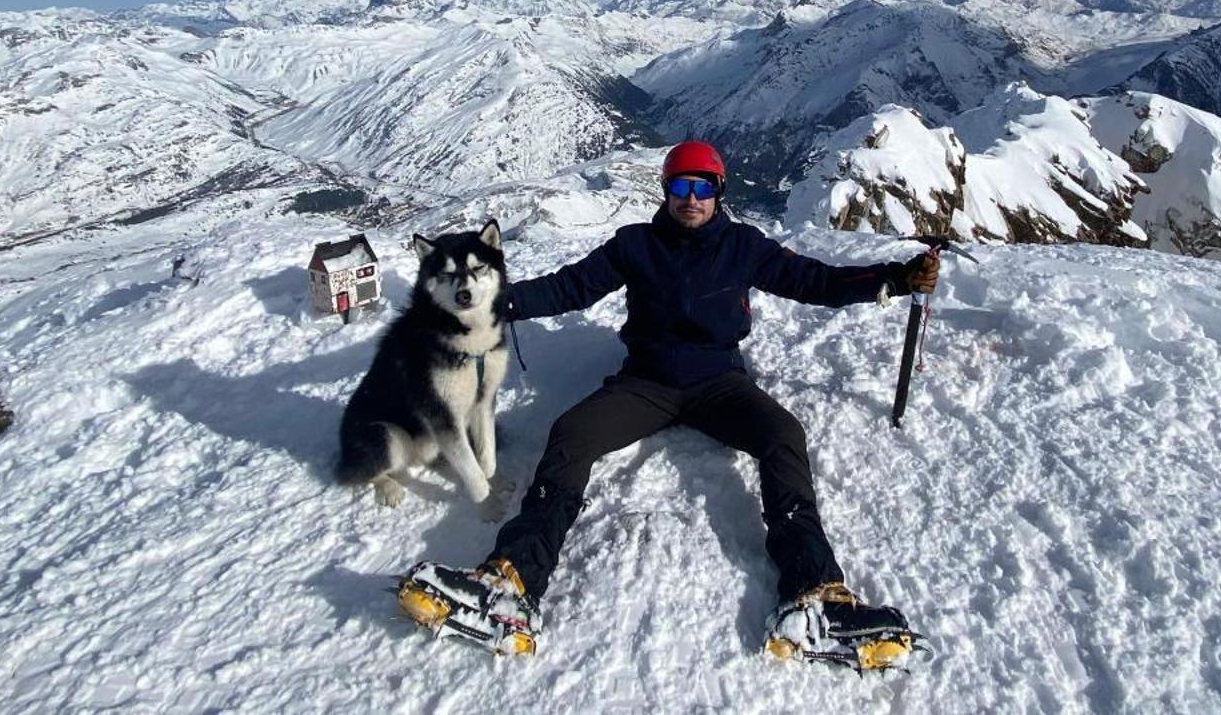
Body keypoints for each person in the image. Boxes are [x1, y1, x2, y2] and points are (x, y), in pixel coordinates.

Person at [397, 139, 940, 668]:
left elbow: (813, 280)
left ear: (718, 191)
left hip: (719, 383)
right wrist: (497, 301)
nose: (691, 197)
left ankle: (815, 591)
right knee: (572, 434)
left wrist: (891, 278)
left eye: (703, 186)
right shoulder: (634, 244)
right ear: (665, 190)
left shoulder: (744, 246)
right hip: (647, 384)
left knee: (782, 437)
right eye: (681, 185)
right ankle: (511, 577)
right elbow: (572, 288)